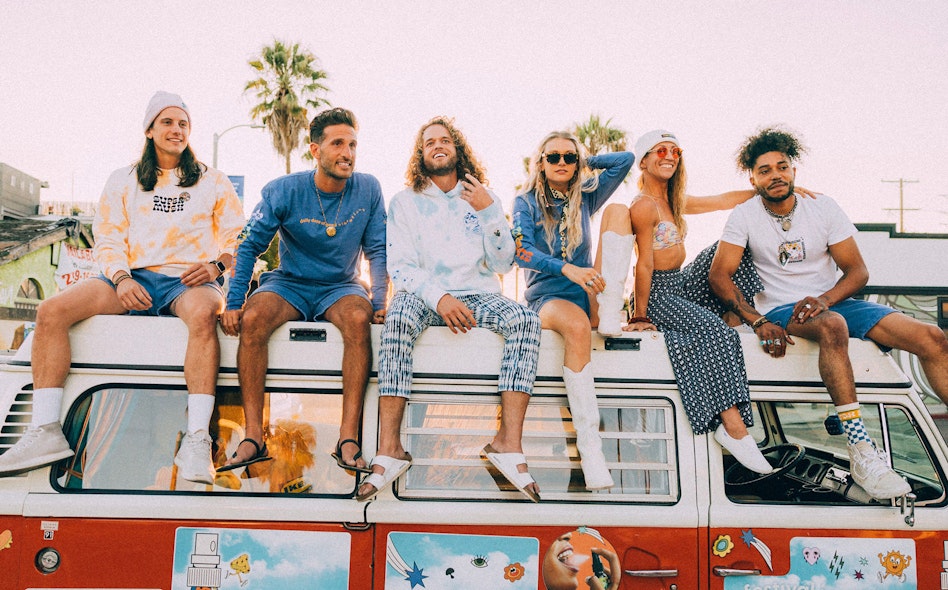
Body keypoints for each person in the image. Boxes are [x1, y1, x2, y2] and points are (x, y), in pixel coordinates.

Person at [0, 91, 245, 484]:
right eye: (167, 122)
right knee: (50, 312)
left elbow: (240, 236)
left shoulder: (212, 180)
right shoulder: (124, 179)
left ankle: (198, 440)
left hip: (189, 280)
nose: (176, 130)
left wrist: (216, 265)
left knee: (203, 315)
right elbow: (108, 236)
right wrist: (121, 277)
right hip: (132, 277)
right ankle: (45, 430)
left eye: (183, 123)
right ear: (149, 130)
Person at [710, 126, 948, 499]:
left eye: (782, 167)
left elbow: (858, 272)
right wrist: (757, 321)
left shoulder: (823, 206)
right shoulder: (744, 215)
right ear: (752, 177)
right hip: (781, 309)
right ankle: (861, 450)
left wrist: (824, 298)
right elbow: (719, 275)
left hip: (830, 302)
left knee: (933, 338)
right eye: (765, 170)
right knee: (833, 326)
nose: (775, 175)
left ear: (793, 170)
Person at [357, 116, 542, 502]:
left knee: (525, 320)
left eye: (444, 140)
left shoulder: (482, 195)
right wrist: (440, 298)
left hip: (477, 293)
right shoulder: (404, 201)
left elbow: (504, 264)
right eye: (428, 143)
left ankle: (508, 442)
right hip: (425, 295)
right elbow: (401, 267)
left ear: (457, 148)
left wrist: (489, 212)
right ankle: (390, 447)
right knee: (398, 318)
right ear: (420, 154)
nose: (437, 146)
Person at [219, 108, 387, 475]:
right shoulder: (283, 190)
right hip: (289, 282)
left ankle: (347, 438)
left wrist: (378, 303)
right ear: (315, 150)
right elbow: (248, 245)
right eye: (338, 143)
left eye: (353, 144)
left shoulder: (369, 188)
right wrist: (234, 302)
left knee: (359, 321)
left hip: (341, 286)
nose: (348, 153)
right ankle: (253, 436)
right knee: (254, 318)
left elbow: (377, 249)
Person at [620, 129, 781, 474]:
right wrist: (640, 314)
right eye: (660, 151)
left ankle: (733, 316)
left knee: (729, 250)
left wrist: (768, 188)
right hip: (659, 293)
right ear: (644, 161)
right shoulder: (643, 205)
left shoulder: (673, 201)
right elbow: (644, 263)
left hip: (680, 284)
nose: (669, 156)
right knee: (717, 336)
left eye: (675, 151)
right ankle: (732, 427)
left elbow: (723, 200)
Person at [511, 131, 633, 490]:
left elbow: (625, 160)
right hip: (548, 296)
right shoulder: (526, 202)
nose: (562, 163)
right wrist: (567, 269)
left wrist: (587, 162)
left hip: (590, 292)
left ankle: (610, 311)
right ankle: (590, 446)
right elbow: (521, 252)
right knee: (578, 327)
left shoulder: (584, 196)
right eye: (553, 158)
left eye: (569, 157)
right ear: (541, 164)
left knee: (617, 211)